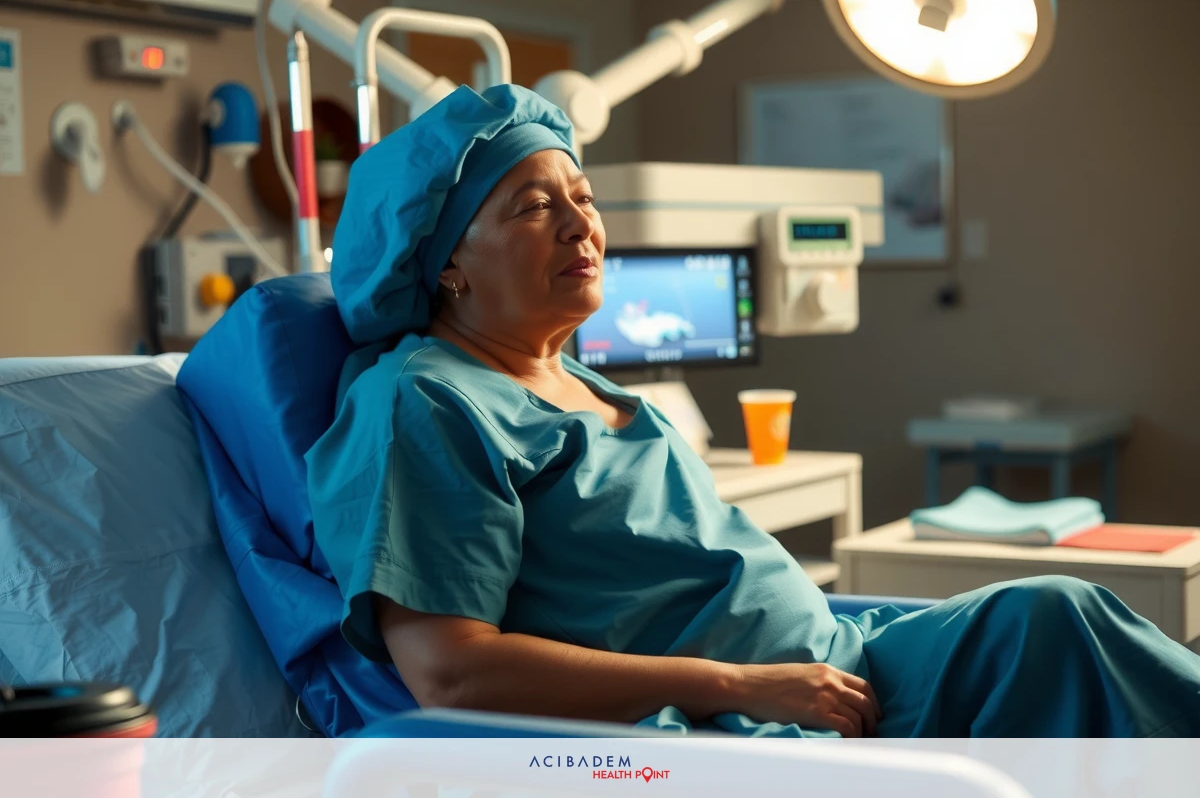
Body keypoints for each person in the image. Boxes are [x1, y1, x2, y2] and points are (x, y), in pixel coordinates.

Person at [306, 84, 1200, 738]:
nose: (581, 226)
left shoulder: (588, 385)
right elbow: (452, 674)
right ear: (446, 265)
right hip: (754, 728)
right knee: (1054, 621)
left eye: (582, 198)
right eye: (535, 207)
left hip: (837, 659)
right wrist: (739, 684)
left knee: (1057, 617)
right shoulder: (424, 401)